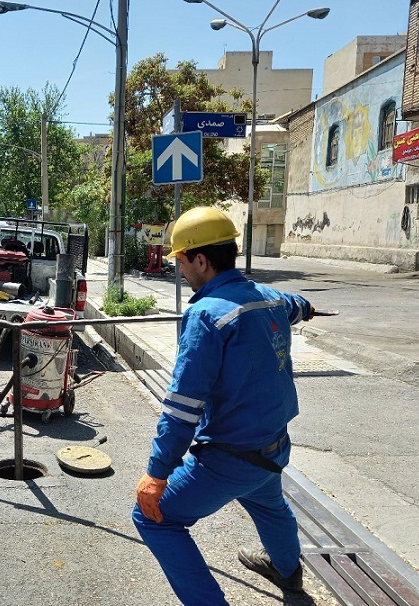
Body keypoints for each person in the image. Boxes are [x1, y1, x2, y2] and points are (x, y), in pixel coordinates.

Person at [132, 207, 315, 604]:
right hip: (272, 447)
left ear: (201, 260)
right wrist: (307, 308)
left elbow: (182, 407)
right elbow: (296, 304)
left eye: (181, 261)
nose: (179, 269)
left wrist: (157, 473)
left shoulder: (206, 315)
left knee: (152, 517)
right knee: (269, 504)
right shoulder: (268, 297)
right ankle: (288, 572)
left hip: (230, 457)